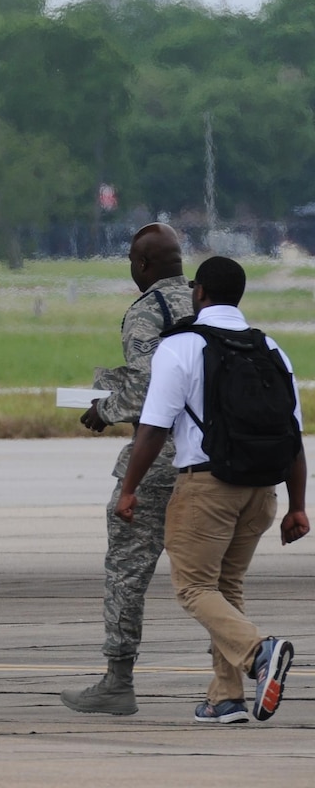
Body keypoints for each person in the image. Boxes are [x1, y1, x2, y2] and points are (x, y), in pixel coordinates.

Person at [117, 255, 306, 725]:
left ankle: (260, 651)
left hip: (207, 487)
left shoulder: (180, 347)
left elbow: (155, 427)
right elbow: (293, 435)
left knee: (194, 588)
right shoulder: (270, 348)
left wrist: (129, 489)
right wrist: (298, 507)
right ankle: (226, 698)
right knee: (226, 586)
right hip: (262, 492)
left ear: (198, 292)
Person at [64, 222, 192, 715]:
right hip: (208, 459)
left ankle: (118, 681)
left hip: (157, 457)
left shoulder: (148, 312)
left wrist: (104, 409)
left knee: (126, 572)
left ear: (143, 266)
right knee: (209, 578)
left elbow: (146, 387)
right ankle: (232, 672)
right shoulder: (208, 303)